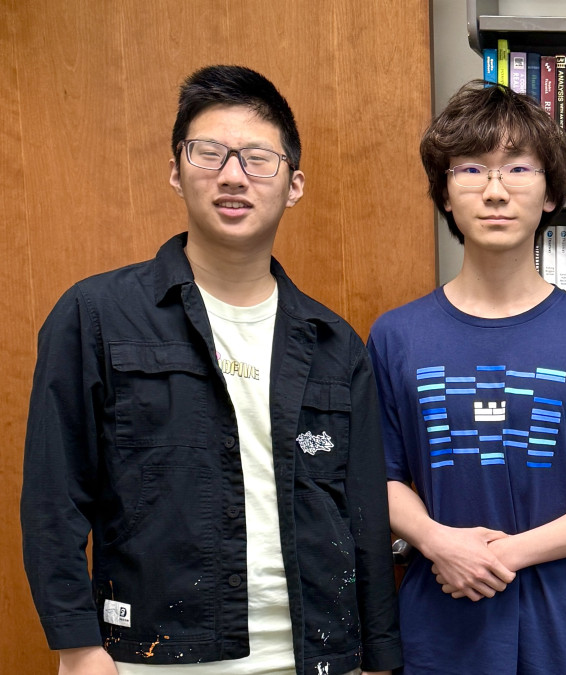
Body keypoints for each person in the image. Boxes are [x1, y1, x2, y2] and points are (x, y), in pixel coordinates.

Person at [21, 65, 401, 675]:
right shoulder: (96, 315)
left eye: (257, 158)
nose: (232, 175)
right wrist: (76, 644)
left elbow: (363, 515)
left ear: (294, 184)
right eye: (209, 153)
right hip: (150, 654)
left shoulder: (335, 343)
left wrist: (378, 656)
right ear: (176, 170)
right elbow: (53, 495)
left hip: (312, 655)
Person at [367, 80, 566, 674]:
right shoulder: (396, 336)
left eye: (518, 168)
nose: (495, 191)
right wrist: (437, 541)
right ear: (445, 193)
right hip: (441, 621)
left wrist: (503, 554)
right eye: (471, 169)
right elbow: (380, 477)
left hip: (564, 627)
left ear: (551, 193)